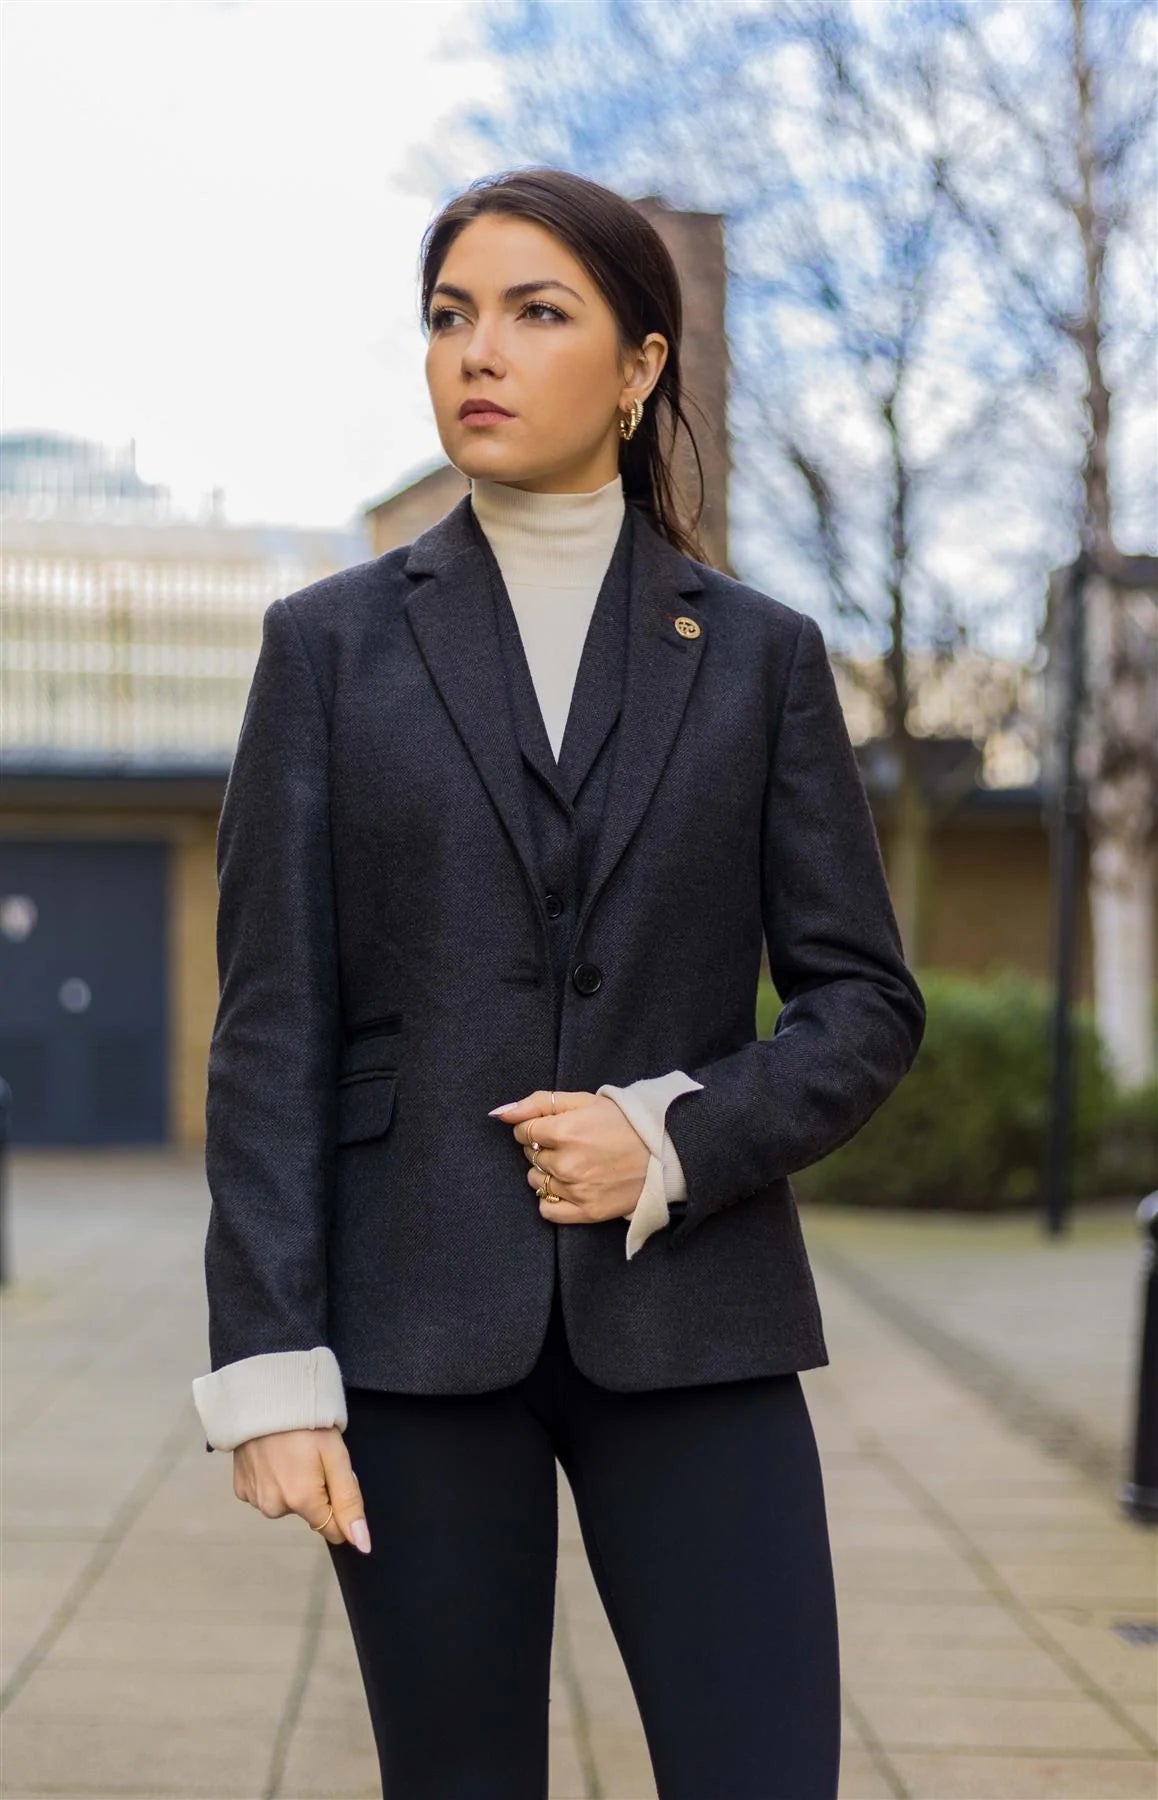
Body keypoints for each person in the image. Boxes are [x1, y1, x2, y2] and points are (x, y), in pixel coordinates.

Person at [192, 166, 926, 1799]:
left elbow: (864, 1004)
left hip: (700, 1323)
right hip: (407, 1332)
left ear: (642, 363)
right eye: (453, 315)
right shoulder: (324, 648)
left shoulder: (758, 654)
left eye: (536, 313)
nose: (480, 351)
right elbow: (270, 1031)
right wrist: (269, 1371)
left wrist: (670, 1136)